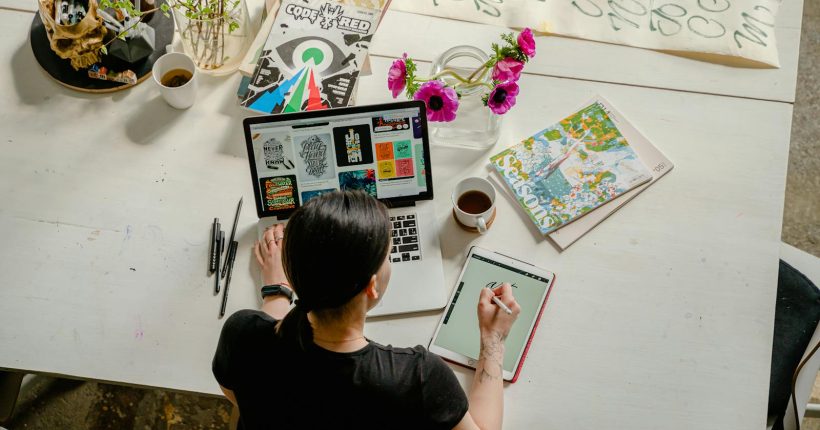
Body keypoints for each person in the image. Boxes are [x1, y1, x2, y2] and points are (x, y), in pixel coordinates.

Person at [213, 190, 521, 429]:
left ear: (294, 275)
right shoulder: (417, 378)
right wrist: (493, 339)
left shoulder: (241, 335)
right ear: (371, 287)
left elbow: (238, 393)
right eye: (388, 255)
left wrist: (276, 290)